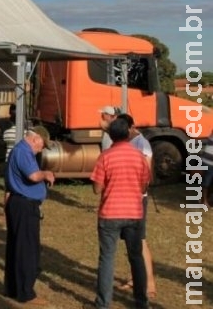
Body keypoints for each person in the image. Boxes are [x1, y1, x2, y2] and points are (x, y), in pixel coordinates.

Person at [88, 117, 151, 309]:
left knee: (107, 258)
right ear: (128, 133)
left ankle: (103, 304)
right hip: (133, 213)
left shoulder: (105, 156)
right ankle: (141, 302)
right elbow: (144, 185)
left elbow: (97, 189)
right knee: (136, 257)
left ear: (111, 135)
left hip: (110, 214)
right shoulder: (139, 156)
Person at [3, 126, 55, 306]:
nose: (42, 149)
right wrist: (46, 174)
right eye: (43, 145)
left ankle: (13, 288)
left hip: (18, 204)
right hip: (25, 206)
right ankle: (26, 293)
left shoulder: (19, 151)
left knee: (16, 248)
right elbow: (33, 176)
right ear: (36, 139)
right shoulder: (24, 152)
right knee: (27, 250)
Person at [116, 113, 157, 299]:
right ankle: (135, 278)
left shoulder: (142, 144)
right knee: (132, 242)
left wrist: (137, 192)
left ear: (132, 127)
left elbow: (146, 175)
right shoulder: (129, 142)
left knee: (140, 240)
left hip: (137, 199)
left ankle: (149, 283)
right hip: (127, 199)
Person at [200, 134, 213, 208]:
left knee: (209, 183)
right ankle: (203, 200)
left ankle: (207, 199)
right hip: (208, 162)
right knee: (206, 183)